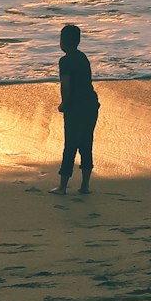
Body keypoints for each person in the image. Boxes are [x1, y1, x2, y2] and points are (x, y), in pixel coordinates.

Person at [51, 23, 100, 195]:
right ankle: (85, 186)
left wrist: (64, 103)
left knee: (70, 145)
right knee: (86, 144)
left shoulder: (65, 61)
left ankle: (63, 187)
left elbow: (66, 85)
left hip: (76, 106)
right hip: (91, 104)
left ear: (63, 41)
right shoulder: (82, 57)